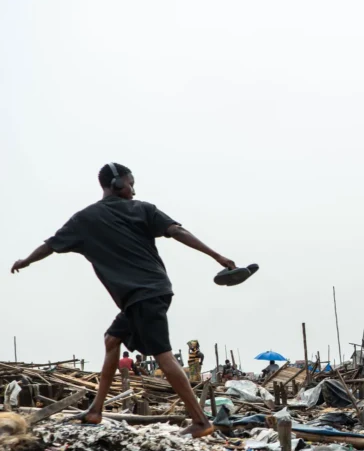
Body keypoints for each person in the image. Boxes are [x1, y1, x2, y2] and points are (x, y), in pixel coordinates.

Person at [11, 163, 235, 437]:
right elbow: (177, 231)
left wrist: (26, 260)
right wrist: (218, 257)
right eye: (131, 183)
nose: (134, 189)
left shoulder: (90, 218)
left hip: (145, 294)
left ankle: (201, 422)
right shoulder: (126, 212)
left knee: (162, 354)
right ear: (117, 184)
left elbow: (49, 245)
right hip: (144, 294)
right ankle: (95, 411)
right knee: (112, 340)